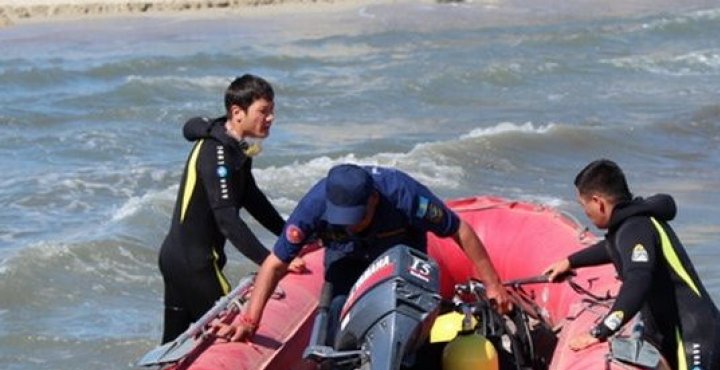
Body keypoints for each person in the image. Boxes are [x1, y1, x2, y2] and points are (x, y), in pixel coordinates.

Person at [214, 163, 513, 347]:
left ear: (373, 200)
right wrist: (249, 321)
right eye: (342, 218)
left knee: (407, 322)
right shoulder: (315, 204)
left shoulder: (402, 195)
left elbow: (459, 229)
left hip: (400, 257)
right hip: (347, 258)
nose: (350, 224)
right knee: (337, 314)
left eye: (356, 217)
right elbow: (274, 264)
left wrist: (493, 284)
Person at [543, 159, 720, 370]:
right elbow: (612, 249)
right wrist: (571, 261)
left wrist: (600, 332)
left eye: (585, 207)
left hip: (695, 340)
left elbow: (638, 281)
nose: (586, 214)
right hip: (690, 333)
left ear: (599, 202)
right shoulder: (630, 225)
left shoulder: (635, 228)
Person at [157, 73, 294, 344]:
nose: (270, 118)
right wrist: (270, 264)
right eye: (263, 111)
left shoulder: (235, 147)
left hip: (179, 258)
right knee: (231, 334)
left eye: (272, 111)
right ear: (237, 112)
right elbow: (228, 221)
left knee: (175, 346)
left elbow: (252, 197)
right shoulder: (216, 152)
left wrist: (290, 237)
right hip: (195, 265)